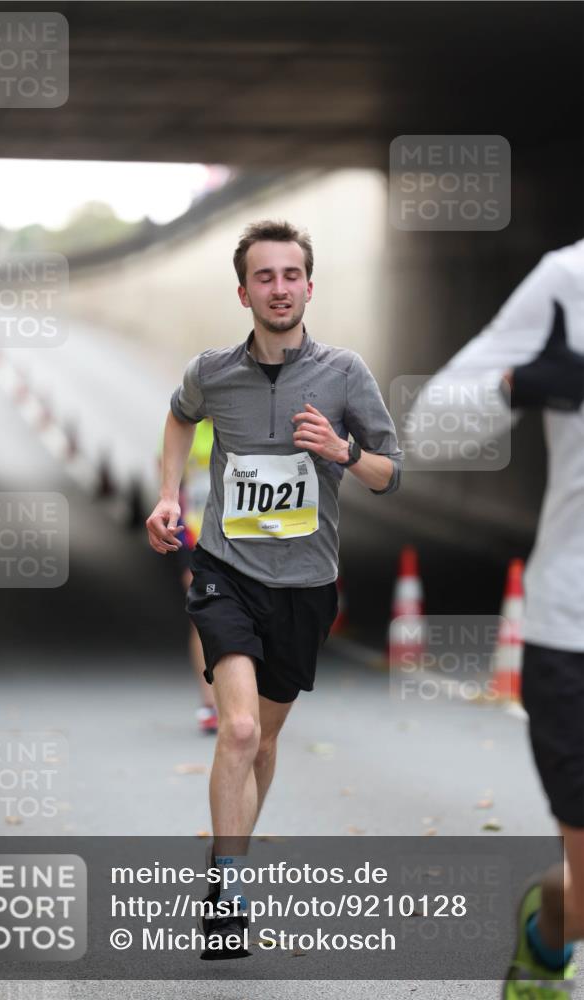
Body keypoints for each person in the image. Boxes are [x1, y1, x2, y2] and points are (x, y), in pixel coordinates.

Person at [146, 219, 402, 957]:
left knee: (264, 742)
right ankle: (226, 888)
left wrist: (343, 450)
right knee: (240, 730)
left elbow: (391, 473)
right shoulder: (212, 371)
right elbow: (176, 415)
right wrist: (169, 494)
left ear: (308, 286)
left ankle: (231, 860)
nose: (279, 288)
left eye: (291, 275)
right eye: (265, 276)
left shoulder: (345, 372)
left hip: (306, 587)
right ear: (243, 291)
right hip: (226, 571)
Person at [408, 240, 584, 998]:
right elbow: (427, 430)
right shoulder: (569, 280)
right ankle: (547, 936)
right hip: (574, 627)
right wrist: (516, 384)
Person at [159, 417, 218, 733]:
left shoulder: (243, 416)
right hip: (196, 535)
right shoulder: (185, 423)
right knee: (204, 613)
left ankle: (248, 696)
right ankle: (209, 702)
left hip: (243, 536)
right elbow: (164, 470)